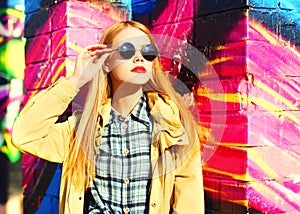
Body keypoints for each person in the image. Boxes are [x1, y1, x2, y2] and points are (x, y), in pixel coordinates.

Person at [12, 20, 204, 214]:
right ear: (106, 63)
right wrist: (76, 80)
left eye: (147, 51)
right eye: (127, 50)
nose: (139, 58)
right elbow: (25, 135)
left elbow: (189, 203)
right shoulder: (81, 128)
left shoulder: (174, 127)